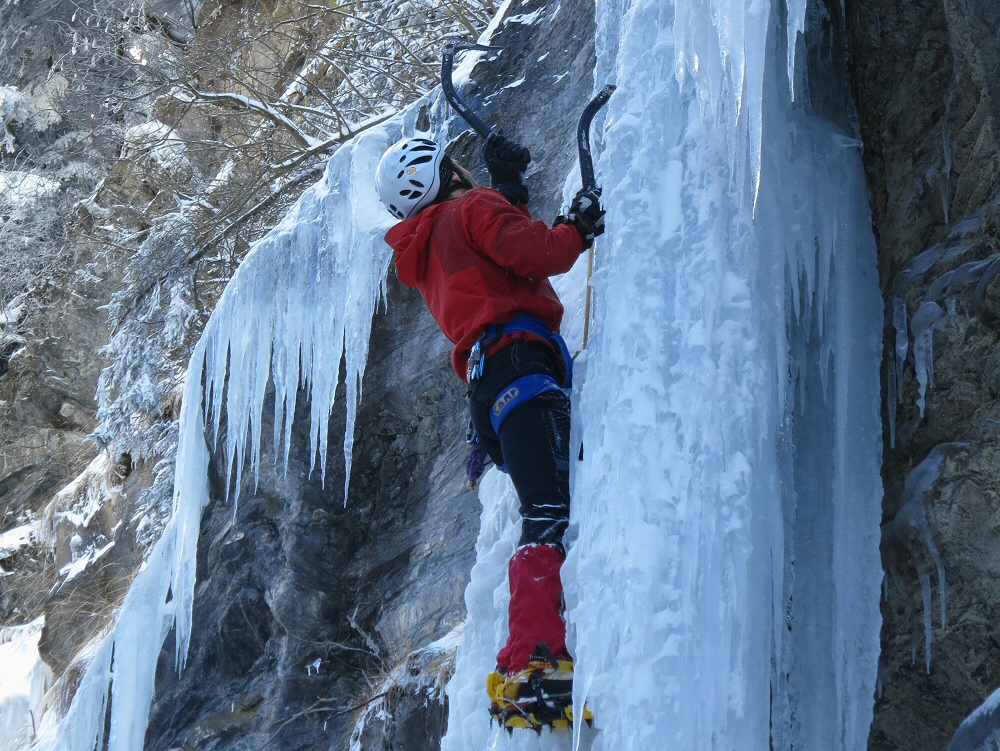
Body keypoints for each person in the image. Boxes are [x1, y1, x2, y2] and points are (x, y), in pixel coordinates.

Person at [375, 133, 604, 728]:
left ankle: (525, 665)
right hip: (523, 369)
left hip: (493, 394)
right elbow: (532, 254)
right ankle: (534, 671)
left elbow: (494, 261)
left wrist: (508, 189)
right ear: (442, 174)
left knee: (543, 508)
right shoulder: (470, 210)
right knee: (547, 516)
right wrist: (576, 227)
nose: (463, 169)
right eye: (455, 164)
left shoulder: (427, 249)